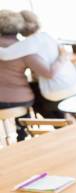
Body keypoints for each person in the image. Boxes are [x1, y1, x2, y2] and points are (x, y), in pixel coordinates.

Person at [0, 10, 76, 119]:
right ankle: (65, 122)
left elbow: (5, 54)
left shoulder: (27, 44)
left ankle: (61, 124)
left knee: (37, 97)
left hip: (58, 90)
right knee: (32, 94)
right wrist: (62, 57)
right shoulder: (47, 36)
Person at [0, 10, 67, 141]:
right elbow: (49, 73)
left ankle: (22, 131)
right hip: (16, 101)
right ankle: (60, 126)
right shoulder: (23, 48)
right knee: (36, 92)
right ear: (19, 27)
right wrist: (62, 56)